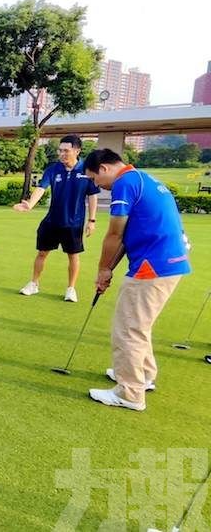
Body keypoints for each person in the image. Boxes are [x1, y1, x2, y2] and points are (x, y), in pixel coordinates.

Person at [84, 149, 191, 411]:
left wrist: (102, 270)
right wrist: (108, 269)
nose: (97, 185)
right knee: (139, 325)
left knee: (128, 328)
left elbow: (114, 233)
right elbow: (128, 235)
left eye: (95, 178)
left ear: (105, 168)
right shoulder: (144, 178)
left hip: (151, 267)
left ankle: (129, 393)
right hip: (169, 263)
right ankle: (143, 376)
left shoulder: (124, 183)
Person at [14, 135, 100, 302]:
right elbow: (41, 188)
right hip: (52, 221)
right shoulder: (53, 169)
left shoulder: (86, 171)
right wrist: (30, 204)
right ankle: (34, 284)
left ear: (77, 151)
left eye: (66, 151)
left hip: (74, 223)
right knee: (42, 253)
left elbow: (92, 196)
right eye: (60, 150)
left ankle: (71, 289)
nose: (62, 154)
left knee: (73, 256)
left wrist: (92, 220)